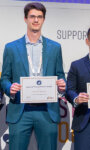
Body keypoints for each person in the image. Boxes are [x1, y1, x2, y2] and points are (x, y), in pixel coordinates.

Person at [0, 2, 66, 150]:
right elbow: (4, 78)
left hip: (47, 110)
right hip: (21, 110)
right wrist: (10, 87)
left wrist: (62, 86)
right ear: (25, 19)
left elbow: (60, 75)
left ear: (43, 20)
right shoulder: (11, 48)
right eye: (32, 17)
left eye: (39, 17)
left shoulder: (55, 47)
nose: (36, 20)